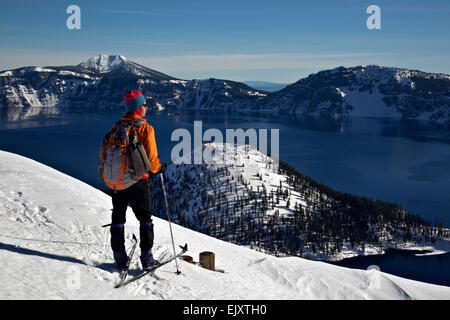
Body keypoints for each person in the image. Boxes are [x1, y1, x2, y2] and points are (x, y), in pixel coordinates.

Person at [109, 90, 162, 270]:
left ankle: (119, 258)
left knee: (118, 218)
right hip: (138, 181)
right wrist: (157, 169)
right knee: (145, 219)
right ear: (139, 108)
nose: (147, 108)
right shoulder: (146, 129)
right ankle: (147, 259)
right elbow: (152, 159)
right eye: (145, 105)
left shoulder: (116, 128)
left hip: (117, 181)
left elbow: (104, 155)